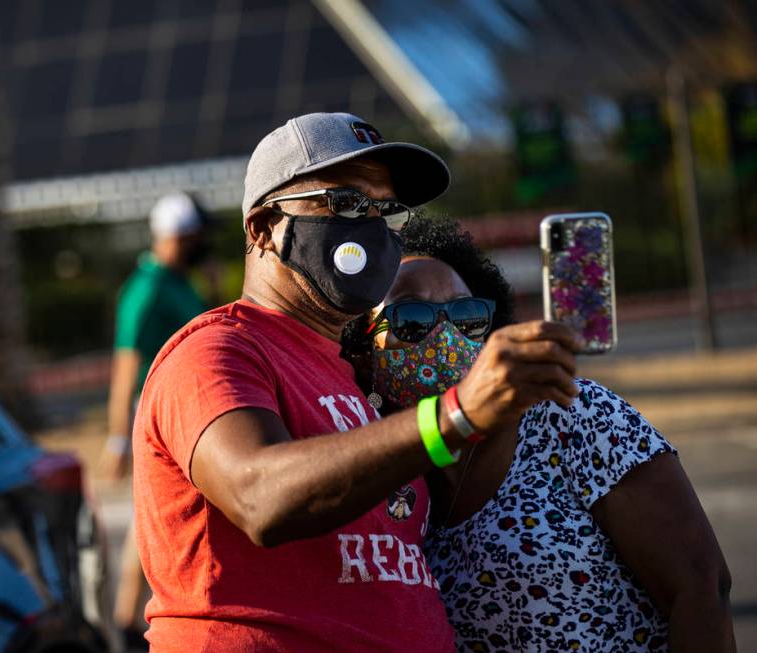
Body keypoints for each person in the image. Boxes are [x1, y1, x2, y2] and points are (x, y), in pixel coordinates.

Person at [132, 112, 585, 652]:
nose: (370, 226)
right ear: (262, 228)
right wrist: (456, 414)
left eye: (385, 209)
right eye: (345, 203)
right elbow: (258, 496)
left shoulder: (354, 375)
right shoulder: (217, 351)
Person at [341, 216, 736, 652]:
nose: (444, 334)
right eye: (411, 318)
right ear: (360, 351)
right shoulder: (389, 482)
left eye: (467, 316)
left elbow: (702, 586)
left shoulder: (568, 409)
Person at [101, 191, 210, 647]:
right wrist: (116, 441)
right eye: (197, 235)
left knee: (152, 527)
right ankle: (128, 625)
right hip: (159, 426)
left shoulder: (178, 279)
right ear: (180, 236)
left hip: (187, 416)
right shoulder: (146, 289)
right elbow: (126, 365)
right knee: (151, 527)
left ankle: (127, 621)